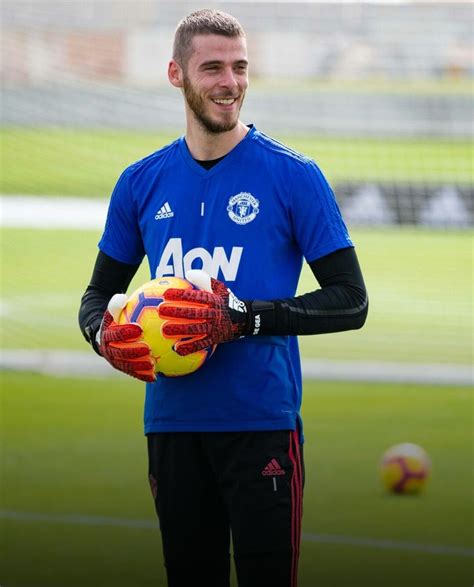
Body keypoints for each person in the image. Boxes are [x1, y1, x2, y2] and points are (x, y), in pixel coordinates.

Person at [79, 8, 368, 587]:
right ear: (175, 74)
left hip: (261, 420)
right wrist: (104, 337)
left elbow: (351, 300)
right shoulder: (140, 182)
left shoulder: (293, 175)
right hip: (171, 424)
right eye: (212, 67)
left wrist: (245, 319)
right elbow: (96, 298)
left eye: (239, 67)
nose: (229, 82)